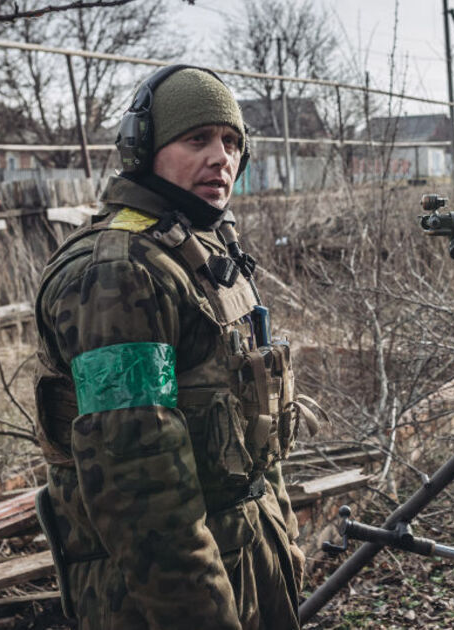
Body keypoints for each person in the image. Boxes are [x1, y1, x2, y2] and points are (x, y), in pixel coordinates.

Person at [32, 65, 316, 630]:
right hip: (167, 597)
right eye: (197, 139)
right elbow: (141, 490)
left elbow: (255, 439)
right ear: (143, 149)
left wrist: (283, 545)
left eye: (232, 142)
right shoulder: (117, 276)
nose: (222, 158)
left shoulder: (200, 252)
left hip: (246, 561)